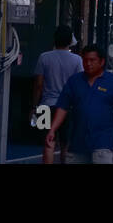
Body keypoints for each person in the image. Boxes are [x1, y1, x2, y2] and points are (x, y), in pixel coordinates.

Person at [46, 46, 113, 164]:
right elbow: (63, 107)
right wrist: (52, 129)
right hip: (78, 142)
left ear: (102, 62)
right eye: (85, 60)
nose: (88, 64)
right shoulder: (74, 81)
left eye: (92, 60)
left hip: (103, 141)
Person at [34, 26, 82, 164]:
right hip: (68, 108)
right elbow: (79, 86)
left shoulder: (44, 57)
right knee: (65, 145)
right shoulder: (77, 60)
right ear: (70, 41)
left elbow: (38, 86)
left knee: (48, 144)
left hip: (45, 106)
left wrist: (33, 106)